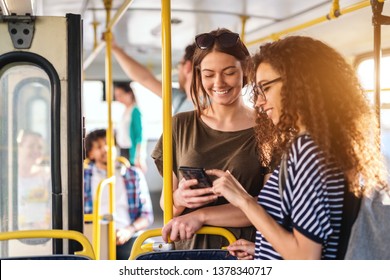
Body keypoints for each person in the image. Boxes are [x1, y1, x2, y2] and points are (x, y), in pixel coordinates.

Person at [208, 36, 388, 260]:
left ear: (298, 83)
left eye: (265, 88)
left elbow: (305, 258)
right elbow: (321, 237)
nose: (259, 102)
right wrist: (263, 250)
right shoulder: (331, 143)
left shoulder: (308, 149)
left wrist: (244, 201)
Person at [152, 28, 268, 250]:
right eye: (208, 74)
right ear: (198, 75)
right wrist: (178, 200)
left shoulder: (267, 129)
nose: (219, 83)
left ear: (245, 70)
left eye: (229, 72)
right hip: (189, 251)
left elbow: (266, 208)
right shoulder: (179, 125)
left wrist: (201, 216)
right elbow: (166, 206)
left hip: (243, 252)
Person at [84, 129, 154, 260]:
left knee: (150, 254)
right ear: (90, 154)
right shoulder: (83, 178)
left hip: (126, 235)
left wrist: (128, 230)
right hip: (93, 236)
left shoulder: (133, 175)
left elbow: (146, 215)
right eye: (99, 146)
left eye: (108, 143)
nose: (105, 149)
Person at [110, 37, 196, 114]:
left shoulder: (205, 106)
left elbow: (145, 79)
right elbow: (144, 78)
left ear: (187, 67)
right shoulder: (180, 98)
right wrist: (115, 48)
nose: (178, 71)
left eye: (179, 65)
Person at [17, 130, 51, 233]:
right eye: (31, 146)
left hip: (42, 233)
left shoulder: (47, 176)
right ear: (20, 148)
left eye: (40, 147)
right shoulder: (9, 177)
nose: (36, 151)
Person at [114, 82, 145, 171]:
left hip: (131, 151)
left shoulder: (135, 111)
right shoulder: (125, 111)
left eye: (120, 95)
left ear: (129, 94)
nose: (118, 98)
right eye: (117, 96)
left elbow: (140, 135)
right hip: (122, 149)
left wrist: (139, 157)